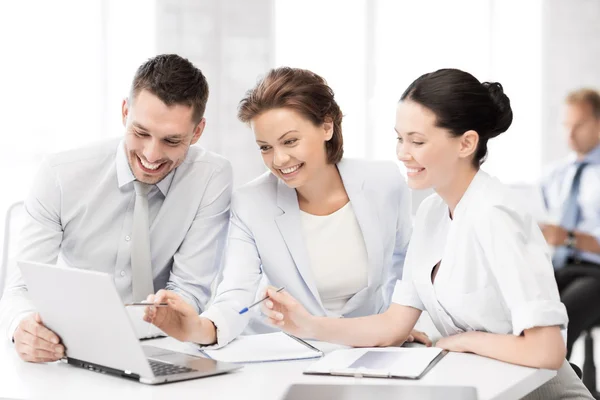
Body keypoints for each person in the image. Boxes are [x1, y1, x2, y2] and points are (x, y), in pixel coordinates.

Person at [261, 69, 593, 398]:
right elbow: (393, 325)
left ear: (466, 143)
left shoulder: (495, 214)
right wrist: (307, 324)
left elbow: (547, 350)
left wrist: (466, 340)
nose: (403, 153)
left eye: (417, 141)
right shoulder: (432, 212)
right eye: (399, 138)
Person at [144, 67, 428, 348]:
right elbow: (236, 292)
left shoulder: (384, 181)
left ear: (327, 126)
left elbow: (403, 264)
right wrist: (200, 329)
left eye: (290, 141)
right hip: (284, 349)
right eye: (265, 147)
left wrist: (398, 323)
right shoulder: (252, 202)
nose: (279, 159)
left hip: (367, 347)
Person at [0, 54, 233, 363]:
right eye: (141, 133)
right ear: (125, 112)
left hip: (164, 346)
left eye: (172, 140)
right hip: (73, 345)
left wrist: (167, 317)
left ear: (197, 132)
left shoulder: (211, 177)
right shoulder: (60, 174)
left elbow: (190, 291)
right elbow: (20, 288)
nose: (152, 155)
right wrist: (23, 326)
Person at [540, 88, 600, 359]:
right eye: (567, 125)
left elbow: (563, 234)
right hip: (559, 267)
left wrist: (568, 238)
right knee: (523, 312)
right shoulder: (555, 174)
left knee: (560, 322)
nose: (570, 134)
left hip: (595, 273)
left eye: (579, 125)